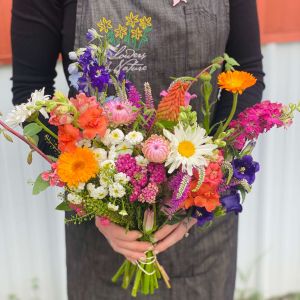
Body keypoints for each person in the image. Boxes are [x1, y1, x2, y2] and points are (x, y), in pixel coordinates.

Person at [11, 0, 265, 299]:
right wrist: (95, 194)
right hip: (105, 220)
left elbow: (247, 75)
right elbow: (31, 94)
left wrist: (203, 185)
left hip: (200, 212)